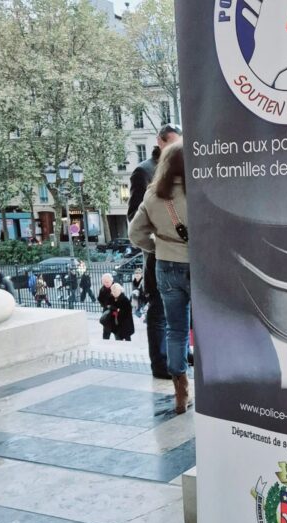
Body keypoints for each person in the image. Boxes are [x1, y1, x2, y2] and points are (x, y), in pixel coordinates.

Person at [129, 139, 191, 413]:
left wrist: (158, 247)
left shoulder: (153, 195)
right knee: (207, 329)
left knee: (175, 329)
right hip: (198, 266)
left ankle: (180, 392)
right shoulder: (201, 191)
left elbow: (134, 234)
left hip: (166, 265)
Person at [128, 123, 182, 380]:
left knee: (177, 319)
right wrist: (158, 246)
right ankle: (161, 364)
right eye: (173, 142)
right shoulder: (144, 172)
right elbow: (135, 221)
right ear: (160, 142)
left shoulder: (180, 175)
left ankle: (176, 359)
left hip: (171, 257)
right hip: (158, 258)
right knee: (159, 312)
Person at [98, 273, 116, 340]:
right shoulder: (102, 289)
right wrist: (104, 305)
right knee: (106, 328)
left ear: (111, 281)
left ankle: (120, 342)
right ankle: (105, 341)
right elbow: (100, 299)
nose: (106, 283)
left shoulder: (116, 287)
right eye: (105, 282)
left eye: (108, 282)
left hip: (115, 311)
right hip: (106, 311)